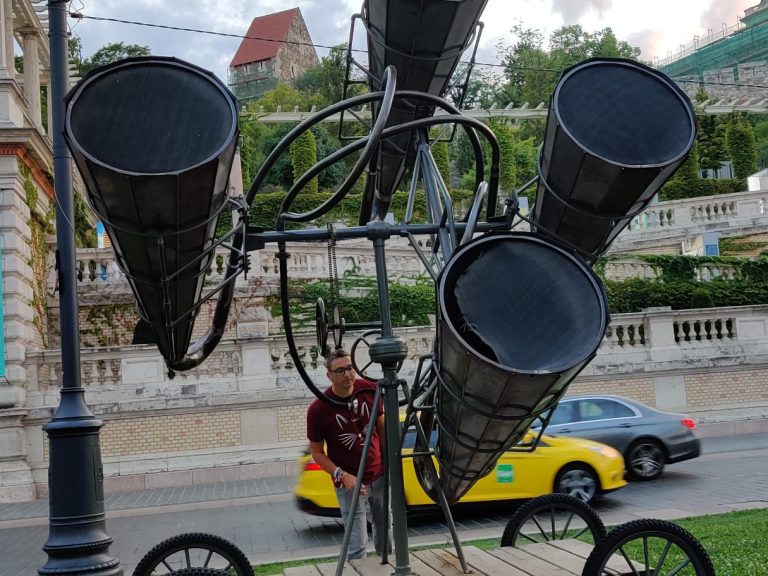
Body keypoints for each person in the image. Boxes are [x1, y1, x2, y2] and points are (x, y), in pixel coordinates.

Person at [306, 348, 391, 561]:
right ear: (330, 376)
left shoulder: (369, 390)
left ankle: (387, 566)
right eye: (340, 370)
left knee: (386, 533)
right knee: (356, 544)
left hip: (378, 475)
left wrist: (388, 465)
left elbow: (383, 430)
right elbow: (317, 452)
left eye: (350, 368)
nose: (348, 374)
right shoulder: (318, 409)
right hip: (349, 484)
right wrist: (342, 476)